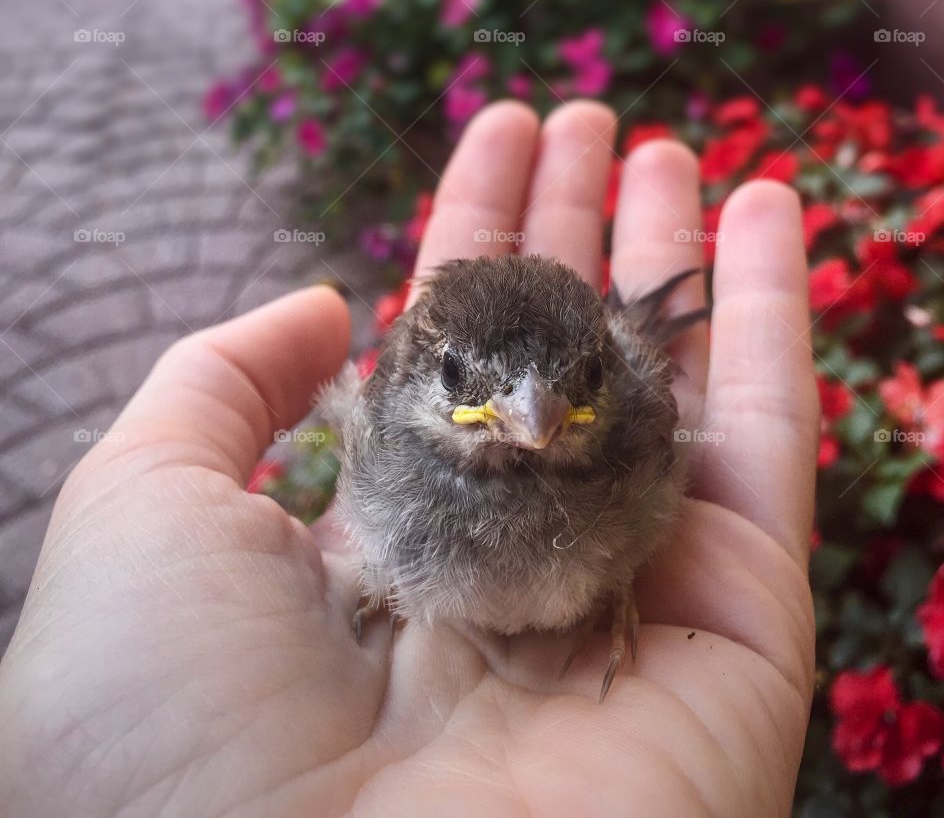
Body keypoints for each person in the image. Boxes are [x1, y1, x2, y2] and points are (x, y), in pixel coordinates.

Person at [0, 100, 817, 816]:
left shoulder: (630, 424)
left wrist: (624, 579)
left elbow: (613, 389)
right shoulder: (386, 437)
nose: (531, 417)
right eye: (467, 380)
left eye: (575, 384)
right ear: (425, 369)